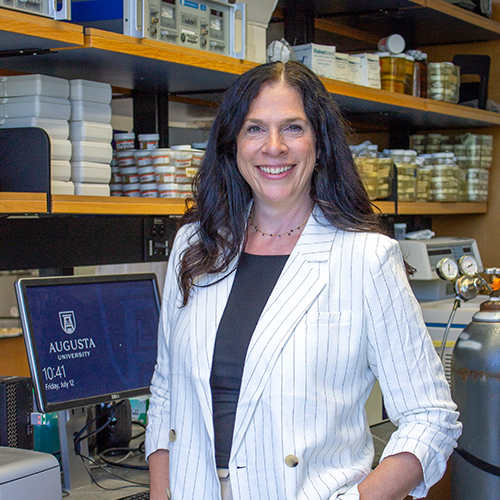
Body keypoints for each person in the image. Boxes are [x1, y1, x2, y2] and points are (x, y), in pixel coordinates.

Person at [145, 60, 462, 500]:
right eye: (255, 128)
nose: (273, 147)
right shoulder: (195, 246)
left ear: (320, 143)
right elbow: (166, 392)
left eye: (293, 127)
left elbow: (431, 417)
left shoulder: (365, 258)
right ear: (232, 143)